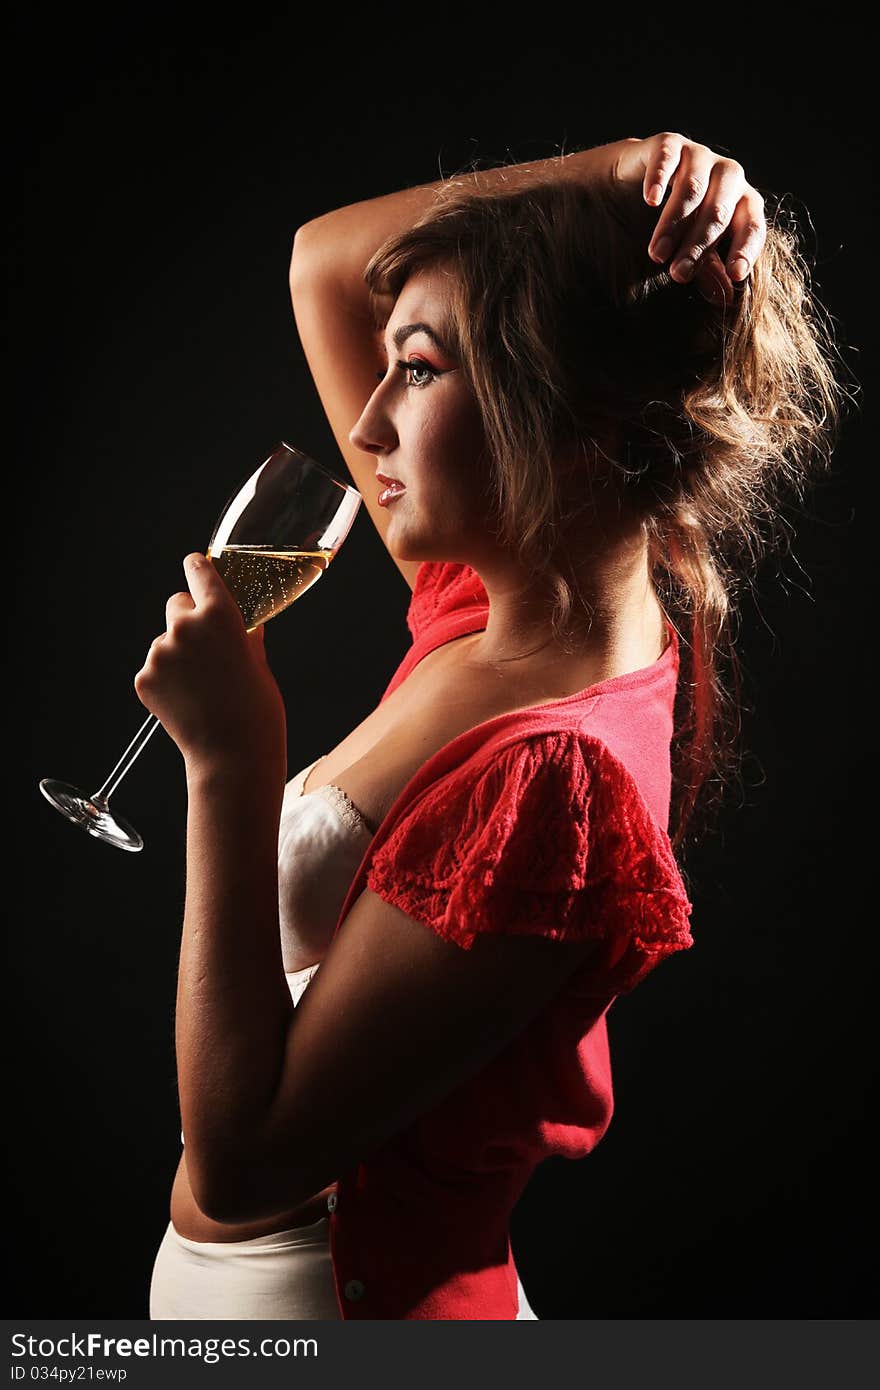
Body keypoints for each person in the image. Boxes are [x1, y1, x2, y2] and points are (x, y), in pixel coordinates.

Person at [144, 133, 846, 1319]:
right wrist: (631, 173)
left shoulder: (551, 781)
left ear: (566, 417)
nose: (366, 428)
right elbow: (326, 264)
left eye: (416, 371)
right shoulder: (497, 601)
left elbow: (245, 1158)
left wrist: (230, 766)